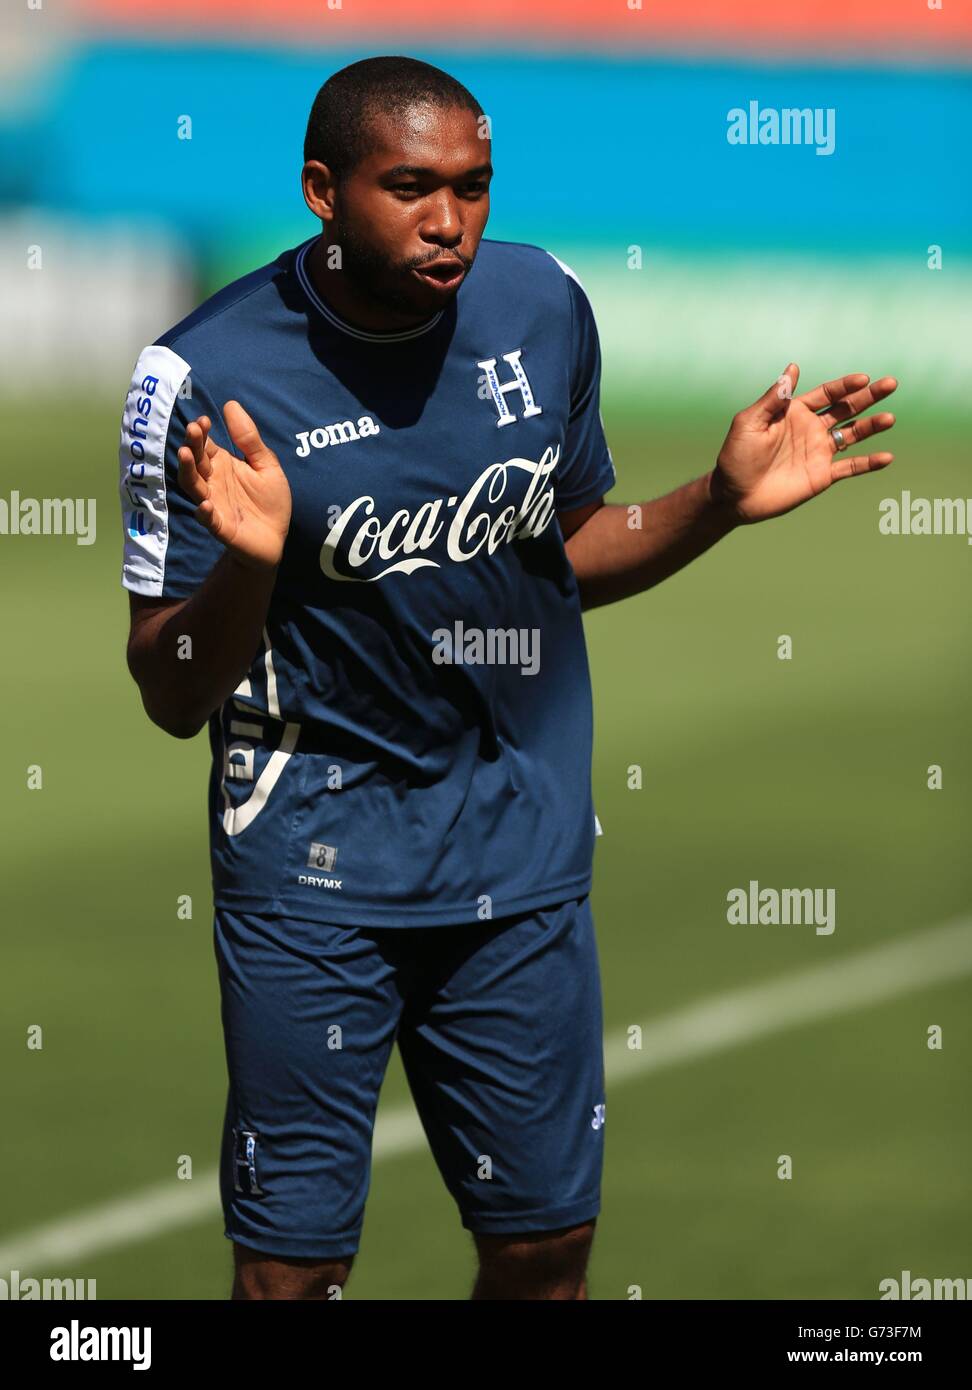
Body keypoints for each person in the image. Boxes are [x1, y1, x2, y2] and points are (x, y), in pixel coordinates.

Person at [119, 55, 897, 1300]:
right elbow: (171, 690)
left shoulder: (543, 305)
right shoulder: (205, 377)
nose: (450, 222)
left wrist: (718, 501)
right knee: (290, 1278)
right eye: (411, 188)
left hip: (517, 855)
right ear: (323, 190)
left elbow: (564, 548)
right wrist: (253, 565)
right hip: (309, 868)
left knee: (545, 1254)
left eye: (474, 187)